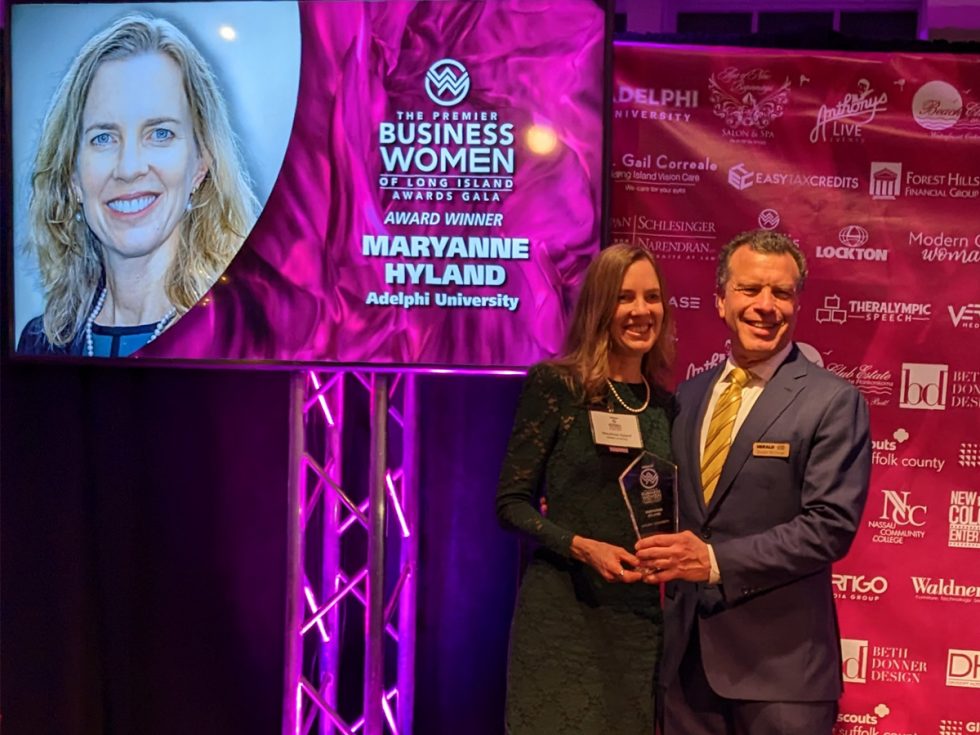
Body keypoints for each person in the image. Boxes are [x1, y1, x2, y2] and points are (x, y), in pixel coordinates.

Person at [635, 230, 871, 735]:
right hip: (684, 668)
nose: (766, 306)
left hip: (783, 677)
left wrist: (715, 562)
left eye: (781, 293)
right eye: (750, 290)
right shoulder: (689, 396)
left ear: (797, 305)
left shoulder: (831, 401)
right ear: (720, 299)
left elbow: (830, 527)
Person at [496, 244, 676, 734]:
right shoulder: (558, 387)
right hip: (561, 614)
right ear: (600, 307)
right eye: (625, 298)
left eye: (653, 297)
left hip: (636, 619)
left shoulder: (667, 407)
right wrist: (580, 547)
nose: (642, 311)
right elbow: (510, 504)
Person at [18, 13, 257, 357]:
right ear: (72, 175)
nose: (129, 168)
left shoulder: (245, 336)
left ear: (200, 164)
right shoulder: (40, 344)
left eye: (160, 133)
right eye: (103, 137)